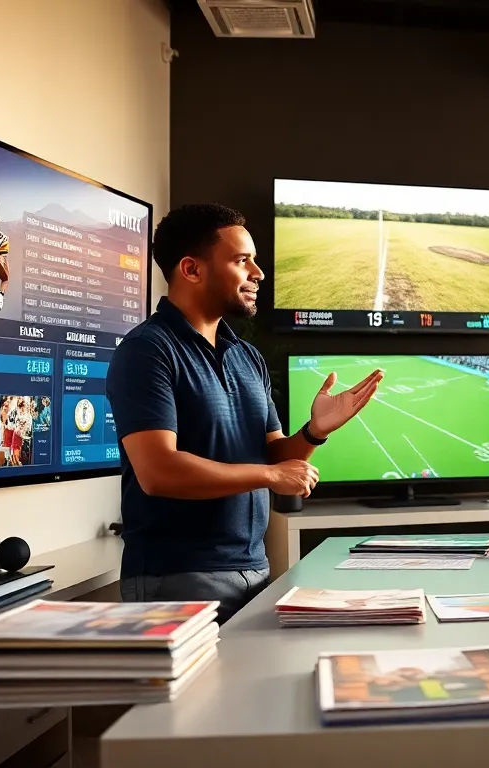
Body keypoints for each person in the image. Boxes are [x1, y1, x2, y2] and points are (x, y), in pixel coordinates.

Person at [106, 203, 383, 624]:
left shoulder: (246, 356)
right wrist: (270, 476)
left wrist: (313, 432)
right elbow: (158, 471)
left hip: (253, 570)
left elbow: (274, 456)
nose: (258, 273)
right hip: (177, 579)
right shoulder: (147, 351)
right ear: (191, 269)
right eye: (242, 260)